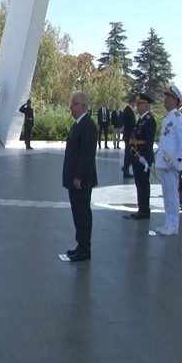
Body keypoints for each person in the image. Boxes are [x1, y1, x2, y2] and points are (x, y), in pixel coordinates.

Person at [63, 92, 98, 262]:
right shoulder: (78, 124)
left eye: (74, 103)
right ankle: (80, 245)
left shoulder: (88, 125)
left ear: (83, 106)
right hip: (74, 178)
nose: (71, 106)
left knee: (83, 213)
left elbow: (87, 155)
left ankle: (85, 248)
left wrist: (79, 177)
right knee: (77, 213)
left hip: (81, 180)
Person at [154, 86, 182, 235]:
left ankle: (173, 225)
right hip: (164, 161)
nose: (165, 99)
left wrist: (175, 161)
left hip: (171, 163)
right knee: (166, 194)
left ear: (174, 100)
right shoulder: (168, 117)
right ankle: (168, 223)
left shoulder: (178, 117)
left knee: (172, 194)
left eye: (168, 97)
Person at [124, 93, 156, 220]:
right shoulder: (141, 120)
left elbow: (149, 141)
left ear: (146, 105)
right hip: (137, 156)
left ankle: (145, 210)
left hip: (143, 158)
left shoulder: (149, 120)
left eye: (139, 104)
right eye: (137, 104)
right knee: (139, 184)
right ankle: (141, 208)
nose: (137, 106)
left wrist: (146, 158)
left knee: (143, 184)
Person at [120, 96, 136, 178]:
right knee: (130, 153)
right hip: (129, 135)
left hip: (127, 135)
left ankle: (125, 170)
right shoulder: (128, 111)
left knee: (128, 152)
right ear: (132, 103)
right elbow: (130, 124)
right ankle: (125, 167)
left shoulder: (127, 110)